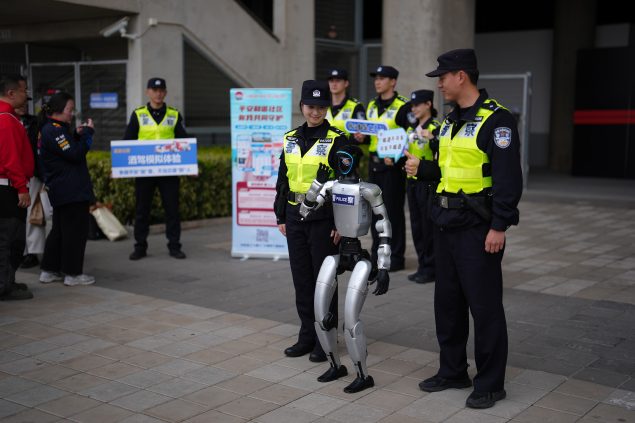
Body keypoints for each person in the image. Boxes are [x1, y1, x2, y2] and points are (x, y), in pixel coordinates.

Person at [409, 49, 522, 409]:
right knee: (448, 303)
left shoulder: (497, 120)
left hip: (478, 228)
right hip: (445, 225)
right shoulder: (449, 121)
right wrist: (422, 169)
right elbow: (448, 171)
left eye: (442, 78)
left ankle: (490, 383)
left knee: (484, 307)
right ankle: (453, 370)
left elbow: (507, 179)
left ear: (461, 76)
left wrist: (499, 225)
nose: (439, 85)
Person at [299, 144, 391, 393]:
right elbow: (304, 211)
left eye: (346, 159)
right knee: (320, 312)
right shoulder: (330, 186)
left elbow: (383, 225)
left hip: (359, 255)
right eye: (340, 160)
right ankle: (335, 365)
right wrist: (317, 185)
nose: (343, 164)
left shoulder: (368, 190)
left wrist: (383, 266)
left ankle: (363, 374)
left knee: (351, 319)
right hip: (339, 253)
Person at [273, 80, 349, 363]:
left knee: (324, 280)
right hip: (294, 216)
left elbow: (347, 184)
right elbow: (283, 179)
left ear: (326, 108)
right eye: (310, 106)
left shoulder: (338, 139)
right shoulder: (290, 138)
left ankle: (324, 338)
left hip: (324, 218)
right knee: (302, 279)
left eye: (320, 107)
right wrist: (280, 214)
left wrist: (341, 223)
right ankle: (307, 335)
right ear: (302, 106)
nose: (315, 112)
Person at [124, 77, 188, 261]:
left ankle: (174, 246)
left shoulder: (174, 115)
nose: (158, 94)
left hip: (169, 171)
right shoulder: (138, 114)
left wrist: (190, 164)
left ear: (165, 92)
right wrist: (120, 166)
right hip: (145, 172)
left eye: (161, 90)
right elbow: (127, 142)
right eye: (154, 90)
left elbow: (185, 142)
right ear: (148, 92)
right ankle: (140, 247)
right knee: (142, 210)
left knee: (172, 210)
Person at [38, 92, 96, 287]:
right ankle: (73, 274)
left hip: (63, 189)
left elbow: (66, 150)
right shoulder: (55, 131)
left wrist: (76, 135)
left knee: (60, 231)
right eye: (70, 110)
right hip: (71, 191)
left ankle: (49, 270)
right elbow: (75, 154)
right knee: (75, 233)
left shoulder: (53, 129)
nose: (72, 114)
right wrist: (87, 135)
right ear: (58, 110)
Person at [366, 65, 413, 272]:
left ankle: (396, 257)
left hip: (392, 167)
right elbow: (369, 136)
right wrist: (361, 136)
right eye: (376, 78)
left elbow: (410, 137)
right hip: (374, 165)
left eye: (382, 78)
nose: (377, 82)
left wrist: (396, 157)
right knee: (375, 213)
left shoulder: (403, 106)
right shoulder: (371, 105)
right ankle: (377, 253)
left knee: (392, 213)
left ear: (393, 82)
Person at [0, 74, 34, 301]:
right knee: (8, 240)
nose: (26, 95)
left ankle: (7, 281)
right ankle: (4, 286)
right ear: (11, 93)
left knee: (10, 240)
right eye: (23, 91)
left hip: (7, 187)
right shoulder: (6, 120)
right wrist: (21, 188)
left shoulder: (8, 117)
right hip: (8, 190)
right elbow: (10, 158)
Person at [404, 90, 441, 284]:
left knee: (428, 227)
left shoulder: (436, 127)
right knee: (417, 226)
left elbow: (441, 151)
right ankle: (422, 265)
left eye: (417, 104)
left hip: (427, 183)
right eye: (412, 105)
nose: (414, 109)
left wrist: (433, 137)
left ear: (428, 104)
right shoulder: (412, 128)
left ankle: (430, 268)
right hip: (412, 181)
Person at [16, 102, 46, 269]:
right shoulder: (7, 120)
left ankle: (32, 252)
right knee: (16, 216)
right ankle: (20, 251)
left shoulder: (35, 122)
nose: (23, 105)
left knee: (33, 213)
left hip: (32, 175)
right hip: (10, 176)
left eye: (25, 102)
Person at [326, 68, 366, 144]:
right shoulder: (323, 105)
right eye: (331, 81)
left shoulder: (356, 106)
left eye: (338, 81)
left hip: (347, 149)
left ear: (346, 83)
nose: (334, 84)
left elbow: (361, 135)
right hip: (324, 150)